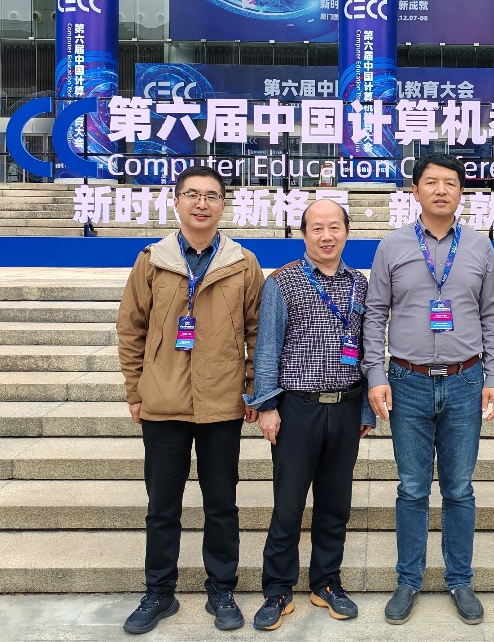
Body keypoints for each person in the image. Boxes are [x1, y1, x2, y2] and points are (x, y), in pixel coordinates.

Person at [117, 165, 264, 635]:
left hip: (222, 402)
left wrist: (252, 387)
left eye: (212, 196)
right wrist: (135, 389)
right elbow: (131, 328)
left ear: (224, 205)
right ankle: (159, 591)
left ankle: (221, 588)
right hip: (163, 402)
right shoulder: (152, 260)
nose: (202, 204)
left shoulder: (243, 263)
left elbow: (258, 332)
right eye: (193, 195)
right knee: (162, 506)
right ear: (176, 201)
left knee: (222, 504)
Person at [363, 152, 494, 626]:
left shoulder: (480, 246)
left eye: (450, 183)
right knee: (411, 488)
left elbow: (492, 315)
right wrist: (376, 375)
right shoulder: (392, 245)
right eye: (431, 182)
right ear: (415, 191)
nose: (441, 190)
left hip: (466, 380)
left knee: (460, 488)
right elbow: (375, 314)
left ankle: (460, 580)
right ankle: (409, 579)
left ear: (461, 191)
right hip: (408, 381)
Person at [244, 199, 374, 631]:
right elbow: (267, 348)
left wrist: (366, 409)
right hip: (297, 409)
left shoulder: (359, 284)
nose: (326, 236)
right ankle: (278, 589)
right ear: (304, 234)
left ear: (346, 232)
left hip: (346, 407)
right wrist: (266, 405)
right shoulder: (282, 282)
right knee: (288, 505)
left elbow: (368, 348)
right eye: (316, 228)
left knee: (335, 504)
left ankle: (326, 582)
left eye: (334, 227)